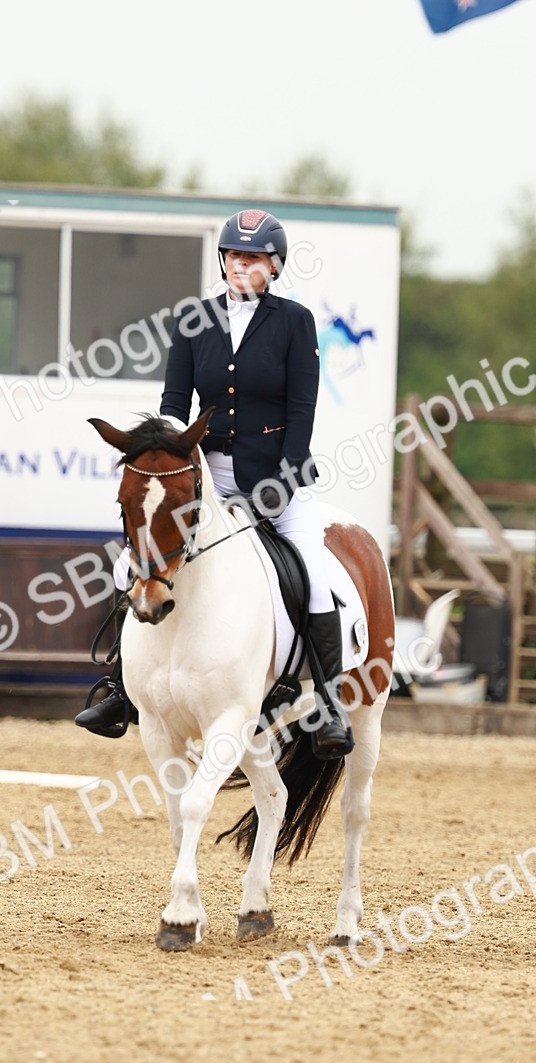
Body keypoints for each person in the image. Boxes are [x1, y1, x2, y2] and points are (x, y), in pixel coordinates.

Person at [75, 208, 353, 758]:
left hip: (278, 478)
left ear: (273, 266)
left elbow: (302, 408)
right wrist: (160, 457)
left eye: (251, 257)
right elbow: (174, 407)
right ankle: (119, 689)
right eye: (232, 255)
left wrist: (285, 476)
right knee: (129, 562)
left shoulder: (294, 322)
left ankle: (327, 702)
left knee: (314, 571)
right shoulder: (193, 320)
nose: (239, 265)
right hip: (201, 479)